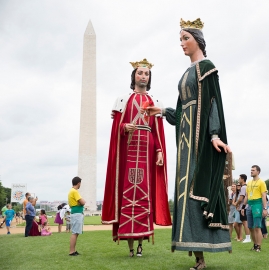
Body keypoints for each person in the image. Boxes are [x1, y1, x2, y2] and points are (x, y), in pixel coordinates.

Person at [145, 18, 232, 269]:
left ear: (198, 40)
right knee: (184, 195)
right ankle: (197, 256)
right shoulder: (186, 73)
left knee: (196, 192)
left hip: (200, 141)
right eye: (180, 40)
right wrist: (161, 111)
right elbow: (183, 109)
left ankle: (203, 253)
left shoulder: (207, 67)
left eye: (186, 38)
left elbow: (213, 103)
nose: (182, 44)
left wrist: (214, 135)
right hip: (184, 141)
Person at [101, 58, 171, 258]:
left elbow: (157, 132)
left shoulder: (155, 102)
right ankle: (130, 247)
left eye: (146, 74)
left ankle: (141, 245)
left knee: (144, 199)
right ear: (134, 76)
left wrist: (159, 151)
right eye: (140, 73)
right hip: (128, 154)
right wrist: (124, 127)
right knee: (127, 198)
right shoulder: (123, 100)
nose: (143, 76)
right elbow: (116, 129)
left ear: (149, 78)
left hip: (147, 156)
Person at [243, 165, 267, 252]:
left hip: (257, 204)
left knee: (257, 226)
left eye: (253, 170)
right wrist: (243, 207)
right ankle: (255, 244)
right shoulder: (249, 183)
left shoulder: (261, 182)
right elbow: (246, 196)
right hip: (249, 205)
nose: (251, 171)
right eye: (251, 170)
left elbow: (264, 196)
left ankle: (259, 246)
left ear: (258, 172)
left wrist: (265, 208)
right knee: (250, 227)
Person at [68, 176, 86, 256]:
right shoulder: (75, 191)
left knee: (76, 232)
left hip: (75, 212)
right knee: (75, 232)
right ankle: (72, 251)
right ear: (78, 183)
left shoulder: (71, 191)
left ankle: (73, 250)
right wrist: (82, 201)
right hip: (77, 213)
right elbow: (82, 202)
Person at [237, 174, 251, 243]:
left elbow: (241, 198)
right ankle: (248, 237)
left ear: (243, 179)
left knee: (245, 222)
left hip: (243, 207)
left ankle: (248, 237)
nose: (239, 180)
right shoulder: (247, 186)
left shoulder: (243, 188)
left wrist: (236, 204)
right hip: (247, 206)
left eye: (239, 178)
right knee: (246, 222)